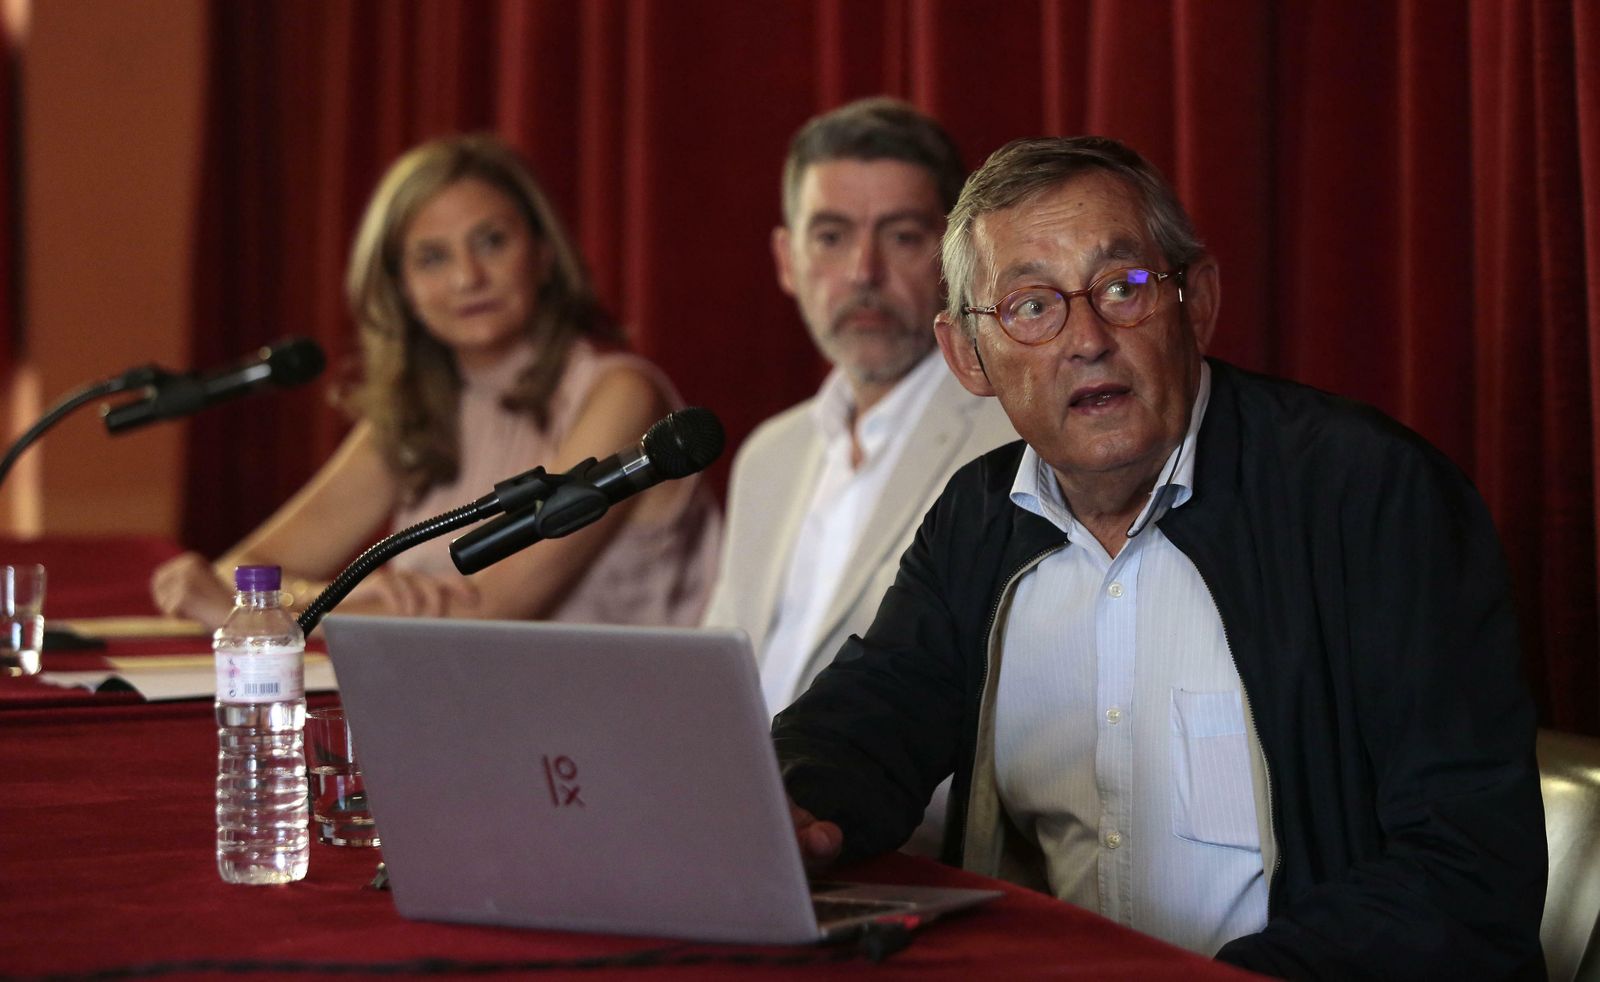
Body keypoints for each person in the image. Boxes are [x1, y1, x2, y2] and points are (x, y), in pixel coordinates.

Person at [773, 135, 1546, 979]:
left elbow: (1468, 868)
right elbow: (867, 724)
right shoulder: (978, 518)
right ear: (968, 355)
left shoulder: (1370, 496)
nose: (1087, 339)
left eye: (1124, 287)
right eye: (1032, 306)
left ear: (1199, 301)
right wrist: (789, 801)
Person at [152, 134, 720, 630]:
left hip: (610, 723)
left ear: (544, 254)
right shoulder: (416, 412)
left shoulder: (621, 397)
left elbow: (494, 610)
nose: (467, 277)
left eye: (492, 242)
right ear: (399, 287)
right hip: (469, 710)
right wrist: (353, 592)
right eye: (431, 257)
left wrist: (271, 614)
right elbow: (239, 570)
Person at [702, 97, 1015, 717]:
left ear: (957, 256)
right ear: (786, 261)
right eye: (831, 236)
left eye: (902, 236)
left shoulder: (1011, 435)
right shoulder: (769, 453)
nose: (863, 271)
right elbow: (710, 673)